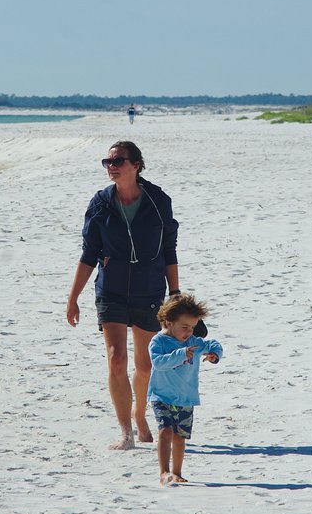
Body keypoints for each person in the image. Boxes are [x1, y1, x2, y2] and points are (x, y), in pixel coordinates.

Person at [66, 140, 181, 451]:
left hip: (149, 289)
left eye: (118, 161)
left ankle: (139, 415)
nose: (111, 166)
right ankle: (126, 432)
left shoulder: (158, 200)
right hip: (111, 289)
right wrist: (73, 297)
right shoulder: (100, 203)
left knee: (145, 366)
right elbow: (89, 254)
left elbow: (169, 250)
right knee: (117, 360)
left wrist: (175, 294)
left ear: (136, 165)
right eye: (107, 161)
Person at [149, 294, 223, 485]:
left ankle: (177, 472)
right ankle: (164, 472)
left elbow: (212, 344)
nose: (189, 332)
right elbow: (158, 363)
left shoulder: (194, 342)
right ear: (168, 322)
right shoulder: (158, 342)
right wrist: (181, 354)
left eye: (192, 327)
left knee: (180, 437)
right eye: (184, 327)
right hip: (161, 395)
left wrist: (214, 354)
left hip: (185, 397)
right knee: (165, 431)